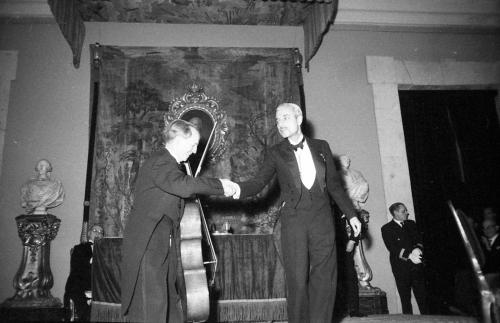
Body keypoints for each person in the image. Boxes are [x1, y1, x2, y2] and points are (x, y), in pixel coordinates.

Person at [229, 103, 362, 323]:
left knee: (324, 277)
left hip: (322, 220)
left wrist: (352, 214)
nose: (280, 123)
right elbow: (258, 182)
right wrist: (236, 188)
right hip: (294, 221)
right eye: (277, 120)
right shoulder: (275, 152)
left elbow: (334, 186)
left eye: (285, 117)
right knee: (297, 280)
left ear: (299, 118)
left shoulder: (322, 146)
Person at [120, 119, 235, 323]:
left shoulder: (170, 165)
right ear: (179, 138)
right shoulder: (162, 161)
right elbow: (183, 187)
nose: (193, 152)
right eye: (192, 145)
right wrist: (220, 185)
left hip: (161, 242)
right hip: (148, 243)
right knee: (151, 306)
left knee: (169, 303)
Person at [381, 202, 428, 314]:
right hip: (401, 268)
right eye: (403, 211)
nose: (407, 213)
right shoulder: (387, 228)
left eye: (406, 210)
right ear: (395, 213)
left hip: (416, 266)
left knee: (423, 298)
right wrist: (409, 255)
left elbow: (418, 239)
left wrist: (417, 249)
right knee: (405, 299)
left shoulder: (411, 224)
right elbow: (392, 248)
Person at [64, 224, 104, 321]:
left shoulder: (106, 250)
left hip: (99, 286)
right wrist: (92, 260)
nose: (97, 234)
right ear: (89, 233)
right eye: (95, 231)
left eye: (100, 232)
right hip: (80, 284)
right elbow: (76, 268)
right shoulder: (79, 248)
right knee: (84, 311)